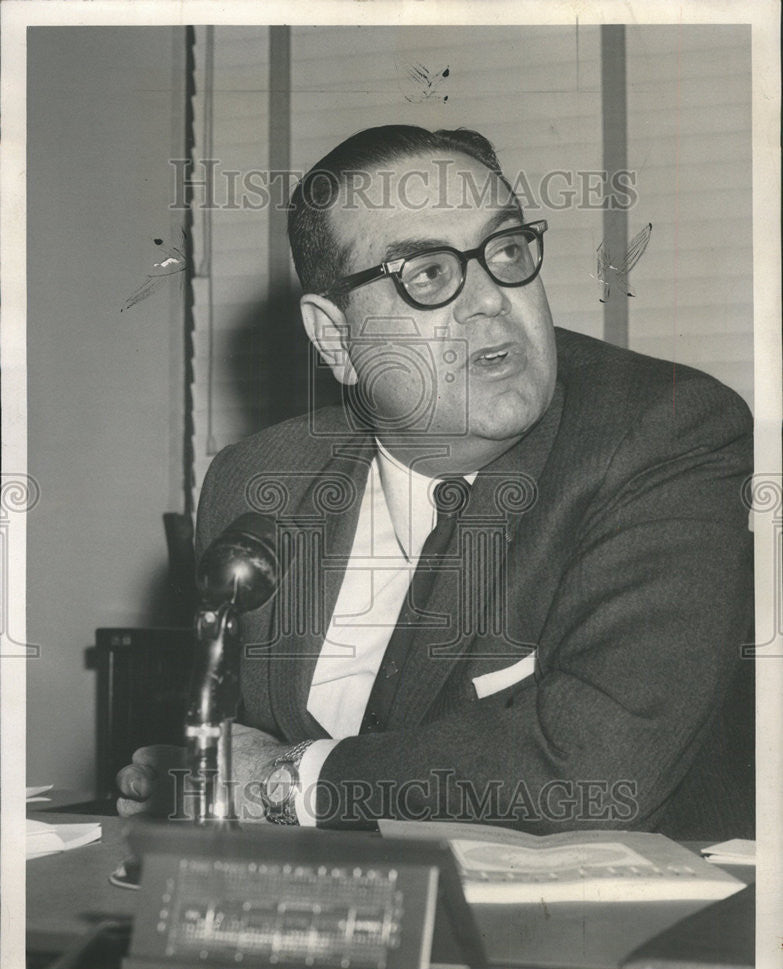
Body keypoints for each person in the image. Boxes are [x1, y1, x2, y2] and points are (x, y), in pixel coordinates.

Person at [117, 125, 754, 839]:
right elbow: (240, 750)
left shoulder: (661, 434)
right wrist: (203, 776)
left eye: (506, 250)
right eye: (425, 273)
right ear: (335, 338)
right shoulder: (258, 483)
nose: (488, 299)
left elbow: (594, 770)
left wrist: (284, 781)